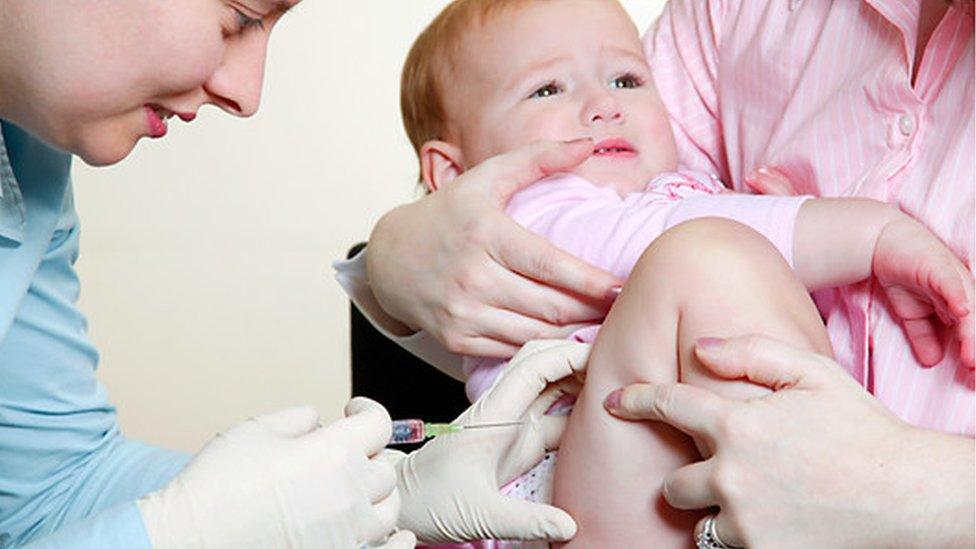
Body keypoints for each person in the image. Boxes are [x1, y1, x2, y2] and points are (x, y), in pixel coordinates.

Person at [338, 0, 975, 545]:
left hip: (703, 486)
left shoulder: (668, 188)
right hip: (555, 492)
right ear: (454, 175)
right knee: (709, 258)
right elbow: (651, 238)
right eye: (547, 90)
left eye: (626, 80)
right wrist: (863, 233)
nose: (602, 106)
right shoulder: (535, 210)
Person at [0, 2, 592, 547]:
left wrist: (386, 490)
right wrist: (185, 534)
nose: (245, 92)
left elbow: (50, 493)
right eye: (236, 18)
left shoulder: (28, 168)